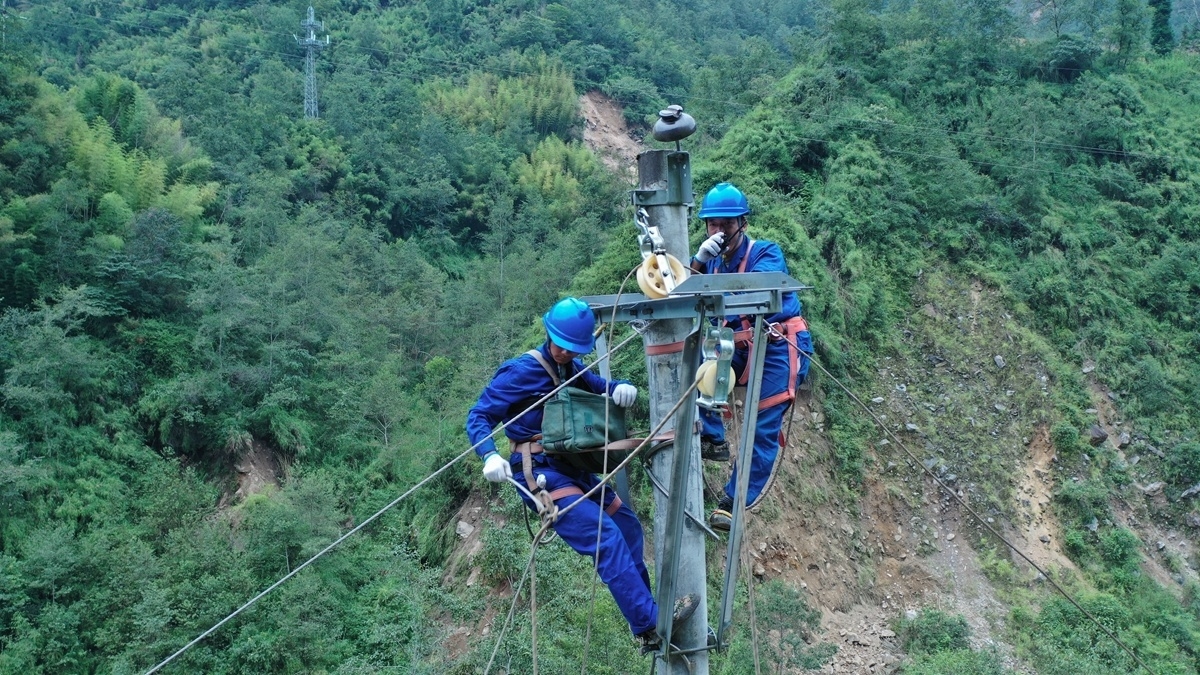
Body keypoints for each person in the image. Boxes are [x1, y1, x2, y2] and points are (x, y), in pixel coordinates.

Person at [466, 297, 696, 649]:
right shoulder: (521, 372)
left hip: (571, 468)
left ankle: (647, 616)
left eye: (572, 349)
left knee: (627, 525)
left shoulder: (570, 367)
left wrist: (618, 388)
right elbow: (479, 415)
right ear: (549, 334)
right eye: (561, 345)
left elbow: (595, 385)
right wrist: (489, 455)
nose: (565, 353)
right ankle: (650, 622)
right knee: (605, 536)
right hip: (539, 472)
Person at [688, 183, 813, 532]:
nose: (720, 231)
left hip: (777, 346)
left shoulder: (766, 253)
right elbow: (686, 294)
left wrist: (710, 280)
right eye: (713, 224)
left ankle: (733, 501)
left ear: (741, 223)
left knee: (763, 426)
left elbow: (754, 289)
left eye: (727, 224)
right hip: (738, 347)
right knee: (697, 367)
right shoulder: (711, 264)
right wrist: (698, 261)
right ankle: (714, 437)